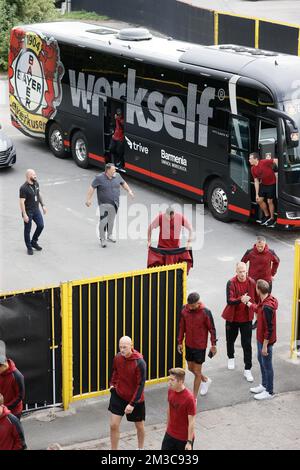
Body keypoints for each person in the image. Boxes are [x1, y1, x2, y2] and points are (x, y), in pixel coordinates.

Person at [108, 336, 146, 450]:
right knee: (113, 425)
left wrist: (132, 404)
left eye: (125, 347)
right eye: (120, 347)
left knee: (139, 426)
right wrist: (112, 384)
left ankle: (140, 448)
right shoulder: (118, 357)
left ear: (131, 346)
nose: (122, 349)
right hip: (118, 395)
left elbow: (141, 385)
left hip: (135, 399)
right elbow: (115, 371)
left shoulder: (140, 362)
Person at [222, 262, 257, 382]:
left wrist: (257, 314)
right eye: (240, 271)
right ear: (236, 272)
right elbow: (229, 300)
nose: (242, 274)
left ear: (246, 271)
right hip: (232, 318)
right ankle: (230, 357)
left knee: (246, 344)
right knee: (230, 340)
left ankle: (248, 369)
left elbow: (256, 299)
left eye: (244, 271)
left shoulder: (251, 282)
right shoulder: (231, 282)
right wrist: (240, 299)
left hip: (246, 319)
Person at [177, 292, 217, 398]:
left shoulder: (205, 312)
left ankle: (194, 398)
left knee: (197, 371)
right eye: (189, 305)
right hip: (189, 344)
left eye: (193, 306)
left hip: (200, 346)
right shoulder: (184, 309)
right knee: (191, 368)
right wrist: (180, 342)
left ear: (198, 303)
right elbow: (181, 327)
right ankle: (205, 380)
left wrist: (213, 345)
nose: (190, 307)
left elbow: (212, 329)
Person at [85, 163, 134, 248]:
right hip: (104, 204)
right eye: (113, 170)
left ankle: (109, 235)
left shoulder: (117, 176)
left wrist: (129, 191)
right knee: (104, 221)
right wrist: (88, 199)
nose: (115, 171)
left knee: (111, 220)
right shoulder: (99, 178)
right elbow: (92, 187)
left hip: (115, 203)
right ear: (108, 170)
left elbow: (123, 183)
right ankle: (102, 239)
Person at [245, 280, 278, 400]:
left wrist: (265, 345)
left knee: (267, 364)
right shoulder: (264, 301)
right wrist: (247, 303)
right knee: (261, 359)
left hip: (266, 341)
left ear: (258, 290)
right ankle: (264, 385)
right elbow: (258, 309)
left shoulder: (268, 307)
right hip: (260, 338)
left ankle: (269, 391)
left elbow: (269, 329)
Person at [241, 235, 280, 329]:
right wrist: (245, 274)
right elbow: (243, 262)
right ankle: (258, 320)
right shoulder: (250, 252)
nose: (259, 248)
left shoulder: (271, 252)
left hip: (266, 281)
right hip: (253, 282)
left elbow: (277, 261)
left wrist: (272, 273)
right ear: (256, 244)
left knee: (266, 301)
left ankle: (266, 319)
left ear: (265, 244)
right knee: (255, 301)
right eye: (258, 246)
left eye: (261, 246)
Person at [161, 368, 196, 451]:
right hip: (170, 434)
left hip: (183, 438)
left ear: (180, 381)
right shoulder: (170, 391)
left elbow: (191, 422)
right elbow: (169, 409)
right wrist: (167, 427)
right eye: (169, 379)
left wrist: (189, 442)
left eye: (172, 380)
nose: (169, 382)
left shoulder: (189, 399)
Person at [19, 169, 47, 255]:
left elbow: (39, 194)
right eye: (33, 174)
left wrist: (43, 205)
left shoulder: (36, 183)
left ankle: (33, 242)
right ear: (28, 176)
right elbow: (21, 202)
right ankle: (29, 247)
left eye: (35, 174)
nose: (35, 176)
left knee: (41, 225)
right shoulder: (23, 188)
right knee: (27, 230)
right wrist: (24, 214)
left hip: (36, 210)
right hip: (28, 211)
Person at [249, 152, 278, 227]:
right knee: (258, 200)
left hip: (272, 184)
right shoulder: (252, 169)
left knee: (269, 201)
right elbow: (256, 181)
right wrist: (256, 194)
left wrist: (278, 170)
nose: (249, 160)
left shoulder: (263, 162)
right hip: (263, 184)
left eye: (250, 159)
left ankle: (272, 218)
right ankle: (267, 215)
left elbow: (275, 160)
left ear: (256, 159)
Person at [0, 341, 25, 420]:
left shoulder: (17, 376)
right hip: (2, 409)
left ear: (3, 365)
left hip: (14, 412)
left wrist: (6, 407)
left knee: (14, 431)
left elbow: (20, 396)